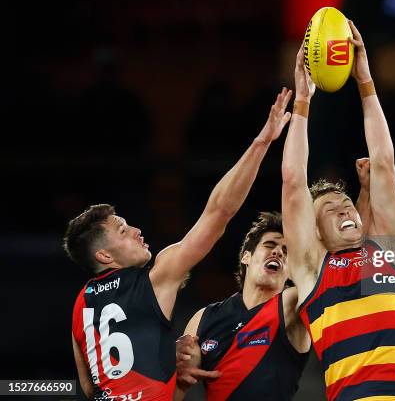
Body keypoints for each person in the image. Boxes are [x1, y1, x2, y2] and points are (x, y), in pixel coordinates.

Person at [64, 88, 293, 400]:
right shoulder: (155, 278)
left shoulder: (80, 306)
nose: (136, 230)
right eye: (122, 230)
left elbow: (90, 389)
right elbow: (219, 212)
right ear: (104, 255)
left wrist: (167, 370)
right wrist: (262, 141)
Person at [281, 21, 395, 400]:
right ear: (314, 235)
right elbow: (294, 181)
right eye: (329, 208)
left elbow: (384, 161)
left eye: (346, 202)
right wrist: (302, 100)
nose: (344, 205)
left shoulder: (388, 249)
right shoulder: (312, 271)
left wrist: (365, 80)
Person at [173, 212, 311, 401]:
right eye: (270, 245)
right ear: (246, 257)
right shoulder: (204, 317)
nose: (278, 252)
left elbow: (325, 269)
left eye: (286, 251)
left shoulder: (292, 305)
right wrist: (179, 373)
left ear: (290, 271)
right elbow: (175, 390)